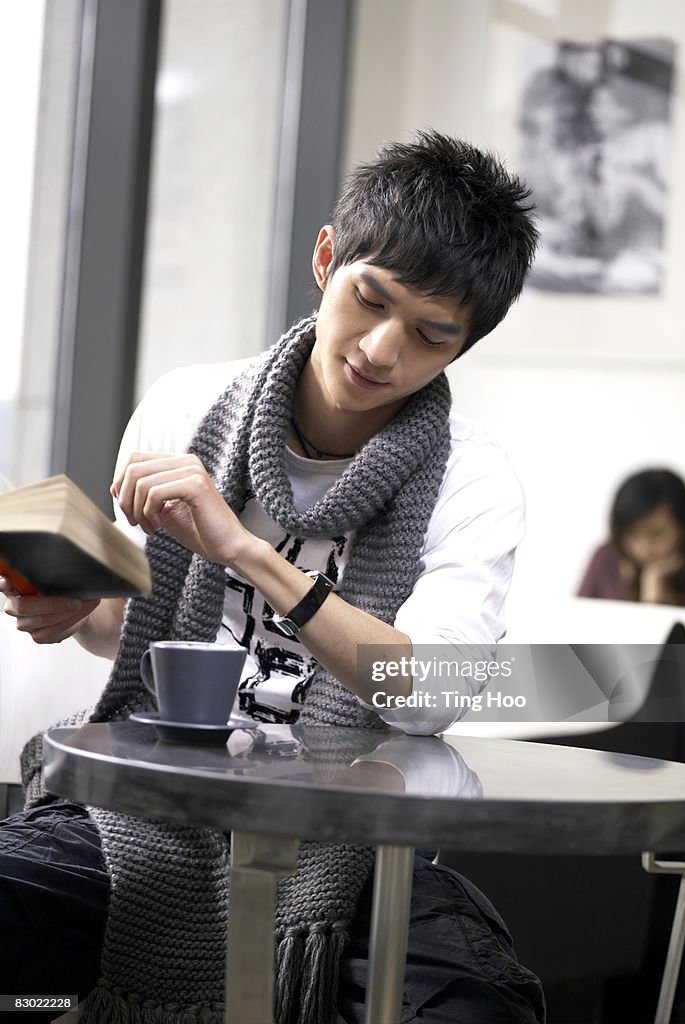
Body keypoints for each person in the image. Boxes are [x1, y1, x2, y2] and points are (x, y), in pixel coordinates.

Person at [0, 130, 544, 1024]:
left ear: (462, 346)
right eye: (369, 299)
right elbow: (133, 632)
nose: (378, 348)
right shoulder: (188, 406)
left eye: (428, 334)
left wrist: (248, 553)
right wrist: (77, 607)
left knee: (476, 1008)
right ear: (327, 259)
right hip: (150, 807)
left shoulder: (472, 480)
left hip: (356, 840)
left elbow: (429, 694)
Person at [577, 467, 685, 630]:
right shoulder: (606, 559)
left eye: (656, 534)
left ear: (684, 528)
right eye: (632, 534)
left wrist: (654, 603)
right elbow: (573, 628)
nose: (643, 548)